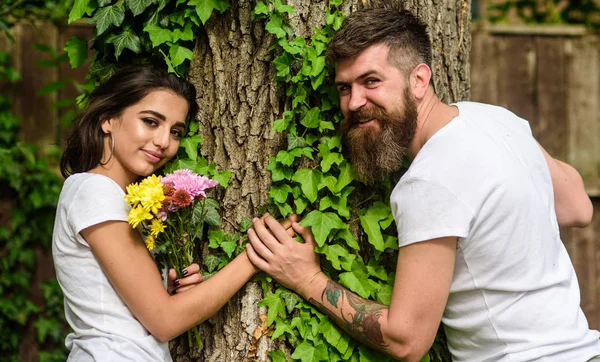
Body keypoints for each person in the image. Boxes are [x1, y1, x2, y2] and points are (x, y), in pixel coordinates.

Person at [245, 7, 600, 362]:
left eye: (371, 81)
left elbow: (407, 340)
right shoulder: (495, 119)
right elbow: (577, 207)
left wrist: (308, 280)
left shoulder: (430, 180)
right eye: (344, 87)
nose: (353, 102)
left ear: (419, 80)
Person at [52, 65, 261, 361]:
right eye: (151, 122)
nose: (164, 141)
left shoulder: (122, 201)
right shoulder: (93, 190)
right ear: (107, 119)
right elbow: (164, 321)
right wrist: (256, 257)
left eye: (175, 131)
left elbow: (145, 313)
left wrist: (175, 292)